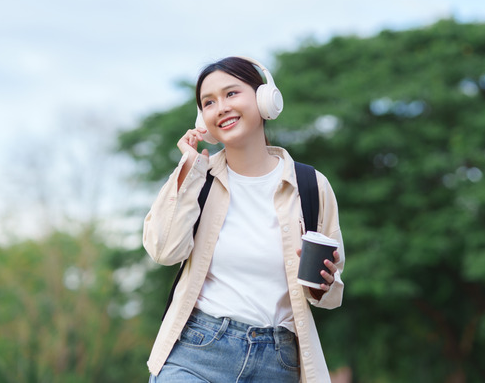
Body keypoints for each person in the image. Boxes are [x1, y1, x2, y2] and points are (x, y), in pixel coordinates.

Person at [143, 56, 345, 383]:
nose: (221, 107)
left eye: (231, 93)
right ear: (202, 118)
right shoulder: (199, 178)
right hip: (197, 352)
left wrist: (323, 283)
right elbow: (164, 251)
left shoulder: (311, 185)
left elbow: (330, 293)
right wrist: (189, 169)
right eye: (209, 102)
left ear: (265, 99)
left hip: (277, 361)